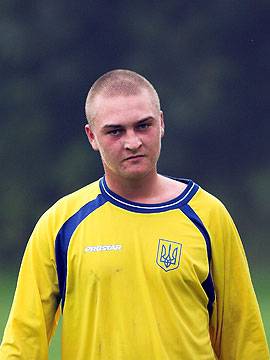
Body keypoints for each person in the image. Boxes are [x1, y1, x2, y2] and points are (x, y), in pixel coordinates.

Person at [0, 69, 269, 360]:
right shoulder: (61, 223)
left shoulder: (208, 215)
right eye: (115, 131)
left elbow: (243, 336)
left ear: (162, 123)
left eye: (143, 126)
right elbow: (23, 342)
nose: (132, 142)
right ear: (92, 136)